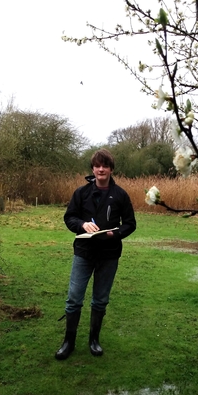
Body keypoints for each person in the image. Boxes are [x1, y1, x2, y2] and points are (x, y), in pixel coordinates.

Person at [55, 149, 136, 360]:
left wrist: (114, 233)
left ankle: (94, 340)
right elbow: (69, 217)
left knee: (100, 300)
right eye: (98, 165)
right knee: (74, 299)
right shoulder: (81, 193)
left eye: (105, 165)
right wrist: (81, 224)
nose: (101, 169)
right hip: (83, 253)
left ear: (111, 169)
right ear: (93, 169)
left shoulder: (120, 195)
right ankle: (68, 342)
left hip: (109, 254)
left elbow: (129, 224)